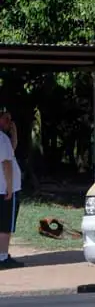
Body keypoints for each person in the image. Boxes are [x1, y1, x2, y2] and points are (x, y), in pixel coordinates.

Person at [0, 107, 23, 269]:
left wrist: (13, 132)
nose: (10, 122)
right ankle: (2, 257)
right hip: (5, 189)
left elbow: (11, 152)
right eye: (6, 119)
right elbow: (7, 163)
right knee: (5, 224)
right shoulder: (2, 139)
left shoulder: (4, 139)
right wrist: (9, 187)